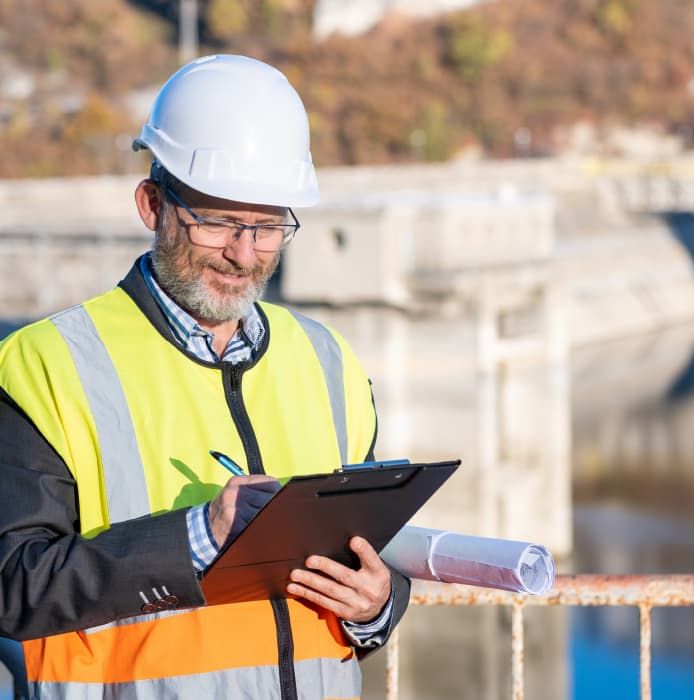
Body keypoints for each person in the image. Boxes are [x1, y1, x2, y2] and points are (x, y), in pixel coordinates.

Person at [0, 54, 410, 699]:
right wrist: (197, 536)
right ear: (152, 203)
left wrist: (377, 605)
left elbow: (370, 550)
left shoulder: (326, 359)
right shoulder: (47, 363)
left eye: (268, 226)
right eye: (218, 220)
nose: (244, 254)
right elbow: (13, 587)